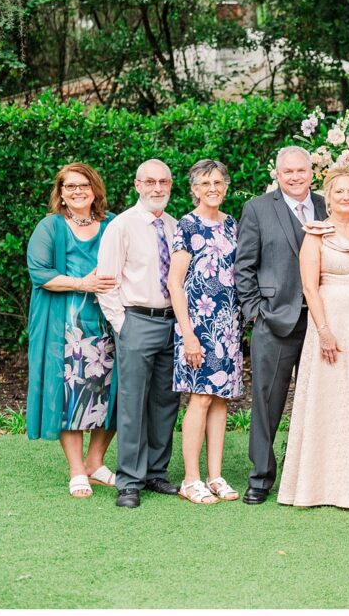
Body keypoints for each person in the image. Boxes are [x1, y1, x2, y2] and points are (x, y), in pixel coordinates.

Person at [278, 168, 349, 508]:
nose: (346, 197)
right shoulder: (316, 235)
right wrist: (324, 331)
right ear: (327, 197)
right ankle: (321, 484)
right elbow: (310, 286)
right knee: (330, 398)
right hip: (332, 324)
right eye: (339, 191)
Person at [235, 146, 327, 504]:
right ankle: (260, 477)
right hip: (273, 320)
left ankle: (312, 474)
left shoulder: (325, 205)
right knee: (267, 401)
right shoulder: (258, 209)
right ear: (277, 174)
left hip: (321, 322)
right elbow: (244, 266)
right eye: (287, 171)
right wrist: (256, 311)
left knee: (319, 399)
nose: (294, 177)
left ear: (310, 173)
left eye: (300, 171)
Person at [26, 163, 118, 498]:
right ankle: (76, 469)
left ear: (95, 189)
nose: (77, 192)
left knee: (110, 393)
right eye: (69, 187)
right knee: (71, 395)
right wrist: (83, 283)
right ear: (60, 194)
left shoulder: (112, 224)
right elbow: (40, 273)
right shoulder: (50, 227)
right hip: (65, 328)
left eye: (83, 185)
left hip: (109, 323)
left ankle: (95, 462)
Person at [97, 159, 182, 508]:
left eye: (163, 181)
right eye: (150, 181)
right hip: (137, 321)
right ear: (137, 185)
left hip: (172, 322)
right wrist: (124, 326)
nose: (157, 188)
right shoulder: (121, 226)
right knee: (132, 404)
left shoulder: (177, 226)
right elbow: (106, 281)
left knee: (165, 402)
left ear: (171, 185)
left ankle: (156, 473)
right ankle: (129, 481)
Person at [167, 160, 242, 504]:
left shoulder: (231, 224)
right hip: (198, 326)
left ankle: (215, 475)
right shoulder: (186, 224)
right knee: (199, 398)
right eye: (204, 183)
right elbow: (175, 282)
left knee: (220, 400)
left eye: (218, 181)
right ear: (194, 189)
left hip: (226, 327)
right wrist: (189, 334)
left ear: (226, 186)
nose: (212, 187)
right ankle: (190, 479)